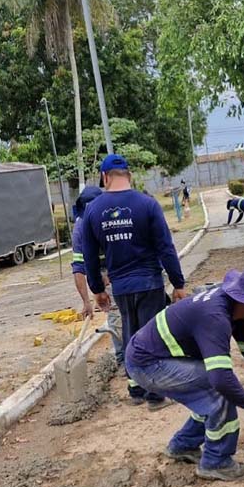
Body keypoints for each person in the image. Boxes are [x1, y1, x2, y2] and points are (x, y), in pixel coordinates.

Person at [125, 264, 244, 481]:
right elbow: (221, 379)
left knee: (207, 395)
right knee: (220, 391)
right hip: (148, 364)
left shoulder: (238, 312)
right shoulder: (215, 317)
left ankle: (183, 446)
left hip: (158, 357)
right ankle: (216, 462)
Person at [82, 154, 187, 411]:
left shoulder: (93, 211)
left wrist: (97, 290)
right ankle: (154, 394)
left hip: (121, 287)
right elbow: (166, 247)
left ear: (105, 177)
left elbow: (89, 256)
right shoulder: (147, 205)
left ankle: (136, 388)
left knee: (130, 332)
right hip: (149, 281)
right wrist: (178, 283)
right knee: (152, 334)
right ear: (128, 175)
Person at [71, 185, 123, 364]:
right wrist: (86, 301)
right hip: (100, 269)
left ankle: (132, 354)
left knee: (127, 312)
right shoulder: (79, 231)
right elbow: (79, 267)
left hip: (122, 268)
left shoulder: (113, 218)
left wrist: (111, 274)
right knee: (115, 314)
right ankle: (123, 357)